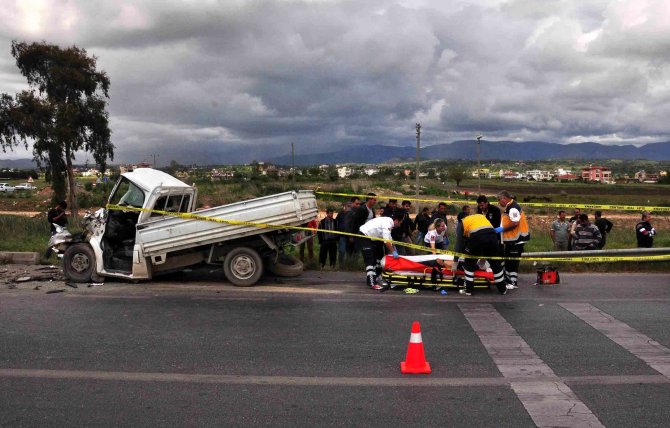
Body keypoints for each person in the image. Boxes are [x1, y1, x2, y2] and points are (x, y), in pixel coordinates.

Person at [459, 213, 508, 296]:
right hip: (492, 235)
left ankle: (468, 290)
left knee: (469, 262)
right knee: (495, 263)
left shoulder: (463, 222)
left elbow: (460, 242)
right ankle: (502, 289)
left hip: (477, 236)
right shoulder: (480, 216)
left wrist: (458, 258)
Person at [359, 211, 403, 290]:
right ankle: (371, 282)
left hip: (373, 238)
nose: (400, 225)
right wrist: (393, 252)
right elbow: (386, 241)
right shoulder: (388, 223)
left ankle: (377, 277)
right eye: (400, 222)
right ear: (396, 220)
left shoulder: (388, 223)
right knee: (370, 259)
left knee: (379, 256)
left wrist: (393, 247)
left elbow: (389, 238)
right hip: (365, 235)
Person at [497, 191, 530, 289]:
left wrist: (502, 229)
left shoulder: (513, 207)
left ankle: (512, 282)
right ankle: (510, 281)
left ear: (504, 198)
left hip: (516, 240)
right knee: (510, 261)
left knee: (512, 262)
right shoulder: (510, 207)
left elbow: (515, 223)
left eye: (499, 200)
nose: (499, 203)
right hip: (512, 240)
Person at [336, 197, 360, 267]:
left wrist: (351, 235)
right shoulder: (340, 214)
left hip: (351, 236)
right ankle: (341, 265)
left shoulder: (353, 214)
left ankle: (349, 265)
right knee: (342, 251)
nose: (348, 207)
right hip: (342, 235)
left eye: (350, 206)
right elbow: (337, 223)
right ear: (344, 206)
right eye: (347, 206)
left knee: (349, 251)